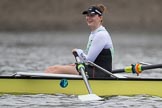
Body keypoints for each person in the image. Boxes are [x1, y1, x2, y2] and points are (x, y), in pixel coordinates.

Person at [45, 4, 114, 78]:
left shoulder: (101, 35)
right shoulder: (94, 34)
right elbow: (89, 61)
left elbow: (89, 60)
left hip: (99, 73)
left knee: (53, 70)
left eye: (92, 15)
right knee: (52, 69)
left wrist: (78, 51)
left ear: (100, 17)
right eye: (87, 15)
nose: (88, 18)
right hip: (94, 70)